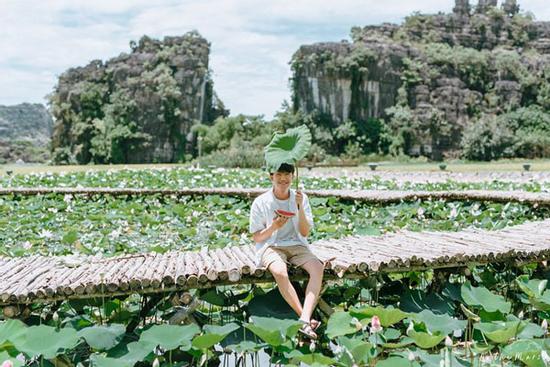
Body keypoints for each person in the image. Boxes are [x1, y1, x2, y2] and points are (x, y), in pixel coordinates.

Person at [249, 163, 324, 339]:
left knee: (318, 268)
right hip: (271, 245)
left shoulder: (300, 198)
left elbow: (305, 232)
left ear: (293, 176)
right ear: (271, 177)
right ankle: (305, 318)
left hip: (297, 244)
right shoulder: (261, 202)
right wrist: (274, 227)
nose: (283, 179)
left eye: (287, 174)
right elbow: (257, 238)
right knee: (280, 272)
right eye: (279, 175)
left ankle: (304, 319)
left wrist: (299, 207)